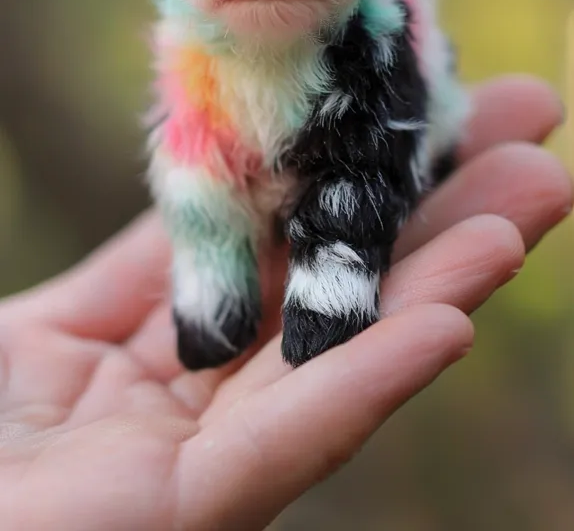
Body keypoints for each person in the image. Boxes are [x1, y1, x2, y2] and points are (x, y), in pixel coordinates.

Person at [0, 75, 570, 531]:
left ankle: (324, 303)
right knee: (215, 211)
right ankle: (231, 310)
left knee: (351, 179)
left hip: (361, 131)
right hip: (233, 137)